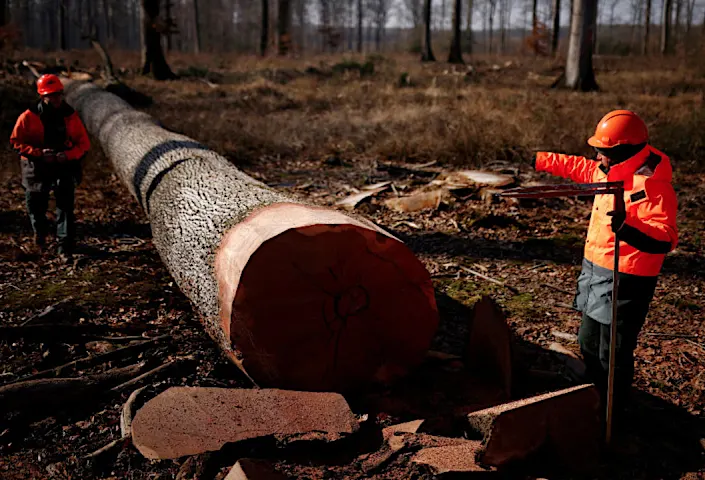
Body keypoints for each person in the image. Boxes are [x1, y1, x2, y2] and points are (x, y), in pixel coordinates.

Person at [534, 110, 678, 418]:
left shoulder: (652, 185)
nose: (598, 156)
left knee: (612, 352)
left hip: (628, 277)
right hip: (595, 267)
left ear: (625, 152)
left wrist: (629, 228)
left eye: (605, 151)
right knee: (587, 340)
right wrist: (540, 160)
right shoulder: (608, 169)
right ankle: (594, 395)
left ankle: (614, 412)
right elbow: (580, 167)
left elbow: (665, 238)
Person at [10, 74, 90, 263]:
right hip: (36, 165)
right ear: (42, 96)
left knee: (65, 207)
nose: (55, 99)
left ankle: (64, 247)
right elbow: (16, 141)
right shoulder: (28, 117)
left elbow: (83, 144)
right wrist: (37, 153)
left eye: (58, 94)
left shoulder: (70, 115)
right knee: (35, 204)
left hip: (63, 165)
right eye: (51, 95)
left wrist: (68, 156)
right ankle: (40, 234)